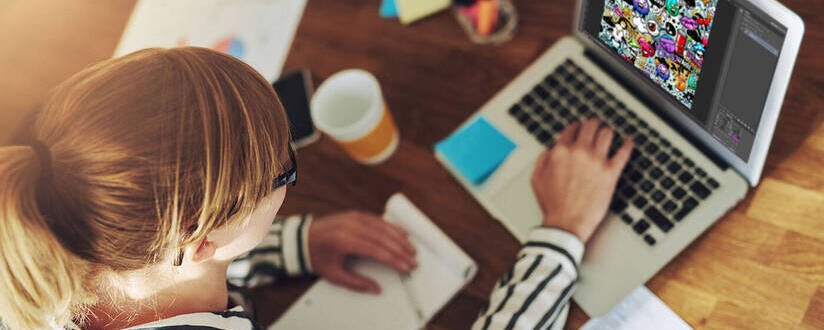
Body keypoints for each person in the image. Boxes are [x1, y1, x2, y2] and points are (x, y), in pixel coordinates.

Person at [0, 47, 631, 330]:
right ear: (199, 244)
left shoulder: (57, 232)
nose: (288, 183)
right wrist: (562, 232)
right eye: (285, 174)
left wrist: (295, 246)